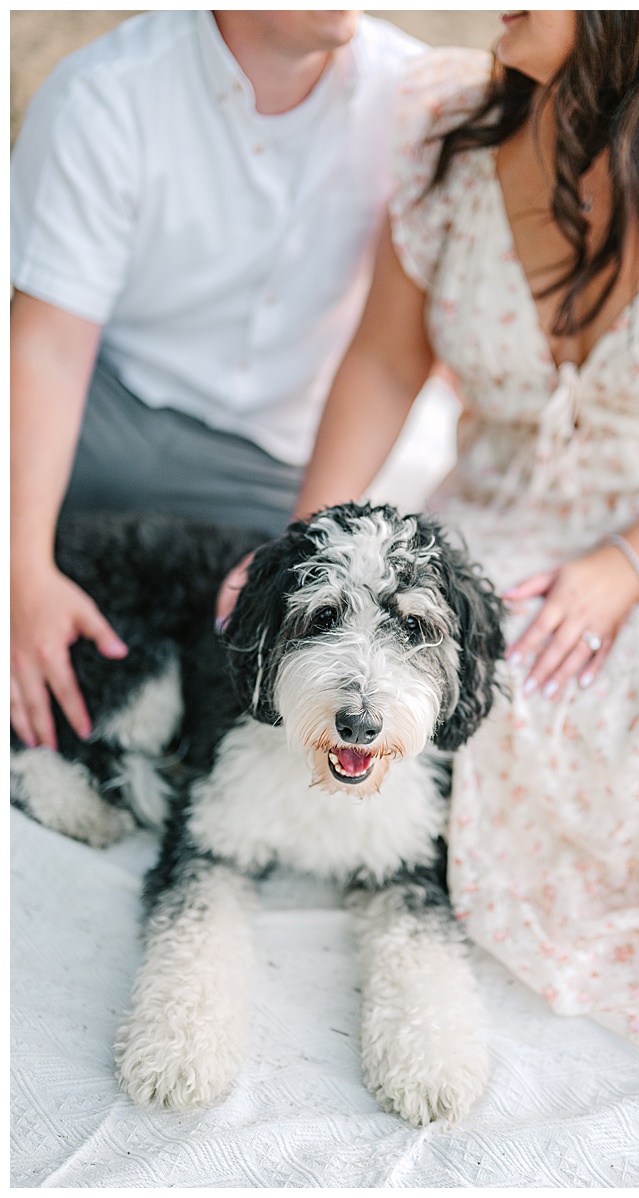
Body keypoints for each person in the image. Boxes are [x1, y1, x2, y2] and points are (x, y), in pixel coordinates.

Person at [249, 11, 639, 1053]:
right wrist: (299, 543)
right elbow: (381, 364)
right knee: (453, 695)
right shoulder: (450, 129)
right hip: (491, 515)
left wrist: (620, 569)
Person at [10, 10, 422, 753]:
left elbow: (389, 356)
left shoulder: (417, 99)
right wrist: (20, 571)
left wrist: (305, 540)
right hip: (106, 412)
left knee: (263, 676)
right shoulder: (105, 92)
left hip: (268, 463)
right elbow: (48, 349)